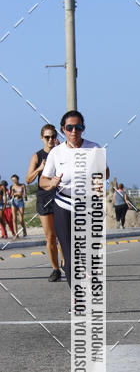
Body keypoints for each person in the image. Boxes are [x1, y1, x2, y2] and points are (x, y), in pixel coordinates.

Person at [40, 111, 109, 288]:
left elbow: (106, 172)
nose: (73, 131)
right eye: (69, 127)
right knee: (70, 258)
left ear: (83, 129)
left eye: (77, 127)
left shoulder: (94, 148)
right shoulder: (56, 153)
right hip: (63, 204)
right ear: (63, 129)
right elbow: (42, 181)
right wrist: (52, 182)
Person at [25, 124, 61, 280]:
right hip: (44, 198)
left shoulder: (62, 152)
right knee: (50, 236)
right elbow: (28, 179)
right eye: (47, 137)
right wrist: (40, 168)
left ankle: (66, 264)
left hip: (61, 196)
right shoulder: (37, 156)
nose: (51, 140)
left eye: (53, 136)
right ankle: (56, 269)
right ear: (42, 138)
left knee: (63, 234)